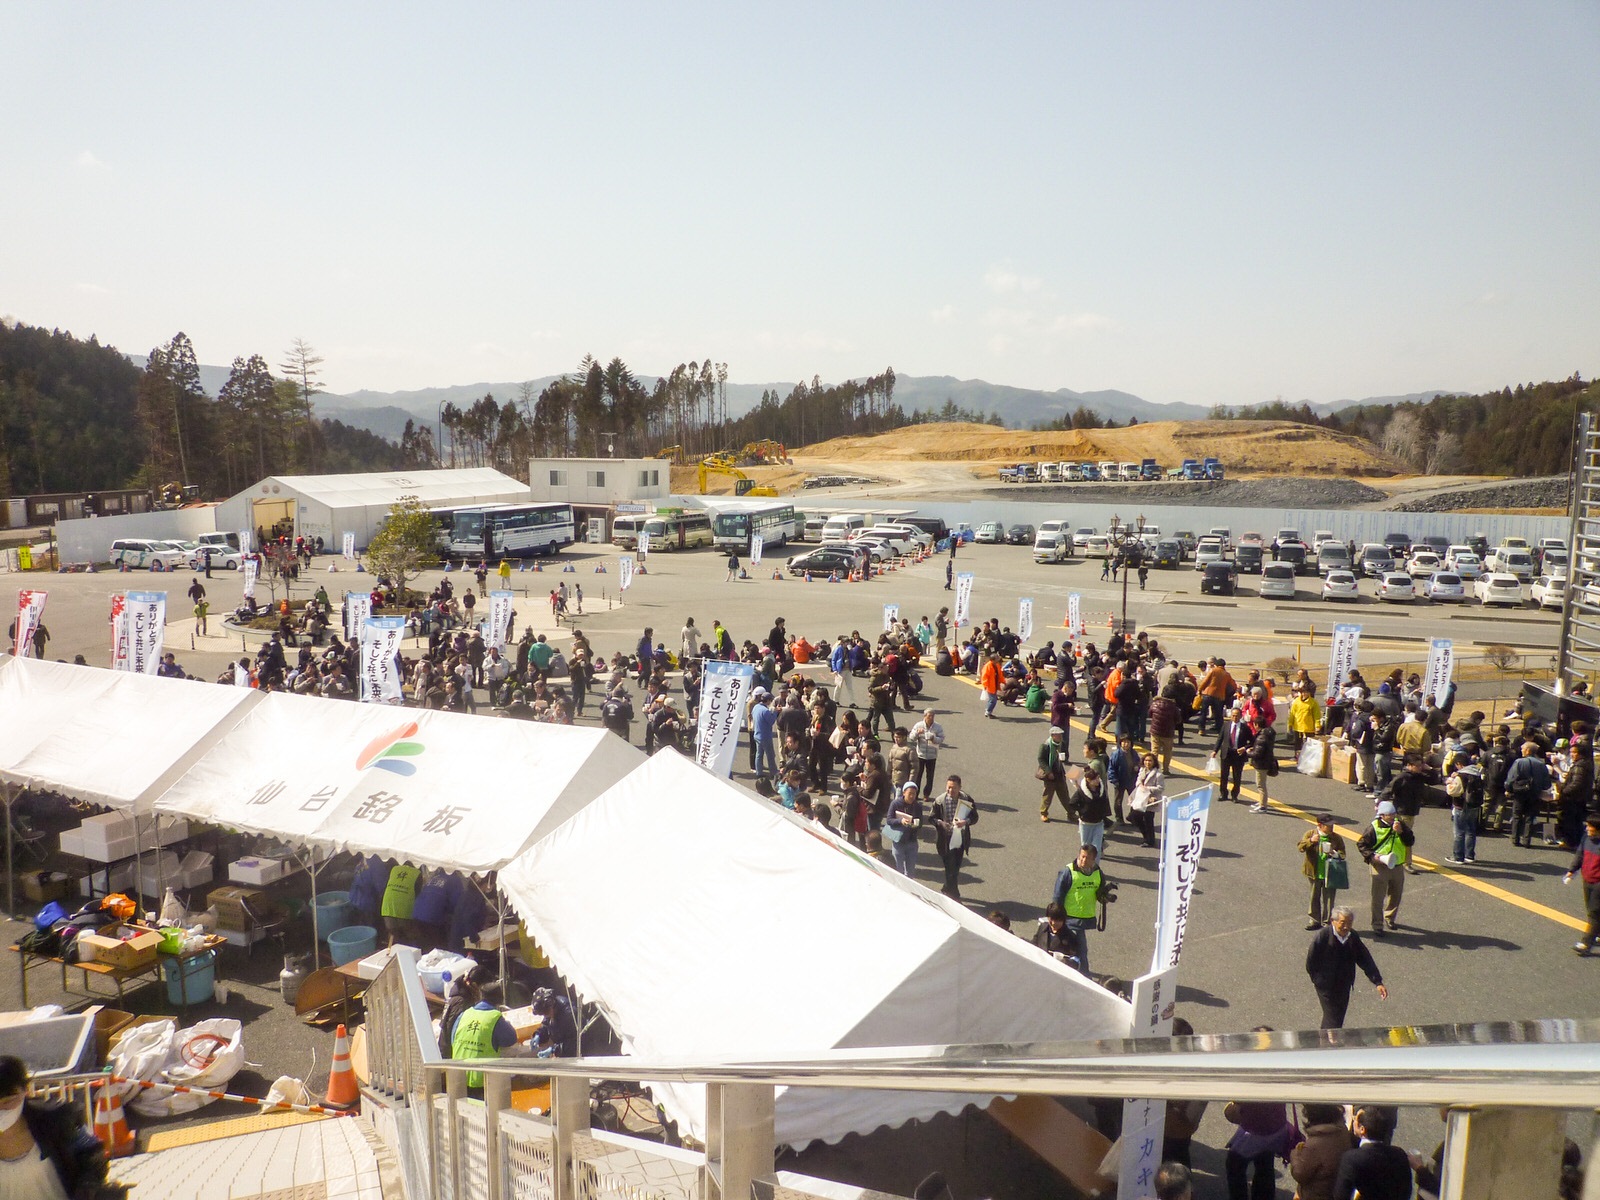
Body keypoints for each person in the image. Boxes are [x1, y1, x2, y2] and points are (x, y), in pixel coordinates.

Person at [0, 1054, 113, 1199]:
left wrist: (86, 1186)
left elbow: (92, 1155)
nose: (1, 1109)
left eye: (8, 1100)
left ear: (25, 1089)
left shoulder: (57, 1119)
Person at [1305, 905, 1387, 1029]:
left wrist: (1377, 982)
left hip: (1344, 984)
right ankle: (1329, 1044)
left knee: (1338, 1017)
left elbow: (1364, 958)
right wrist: (1318, 980)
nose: (1346, 927)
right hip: (1326, 986)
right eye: (1343, 923)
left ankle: (1326, 1042)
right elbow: (1311, 961)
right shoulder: (1323, 937)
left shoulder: (1352, 936)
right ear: (1333, 921)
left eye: (1349, 923)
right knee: (1332, 1017)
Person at [1223, 1089, 1299, 1200]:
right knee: (1265, 1162)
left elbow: (1241, 1099)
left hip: (1257, 1128)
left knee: (1234, 1163)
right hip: (1277, 1123)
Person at [1049, 843, 1111, 975]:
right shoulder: (1067, 872)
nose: (1083, 860)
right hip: (1070, 920)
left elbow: (1099, 894)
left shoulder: (1098, 873)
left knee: (1071, 951)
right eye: (1082, 856)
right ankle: (1085, 978)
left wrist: (1105, 897)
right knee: (1081, 951)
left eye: (1087, 858)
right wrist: (1056, 919)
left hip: (1085, 919)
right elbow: (1057, 897)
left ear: (1094, 859)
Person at [1331, 1106, 1413, 1200]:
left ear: (1362, 1129)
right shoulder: (1399, 1154)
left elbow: (1341, 1195)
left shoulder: (1351, 1158)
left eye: (1355, 1119)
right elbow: (1406, 1191)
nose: (1353, 1121)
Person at [1358, 801, 1414, 936]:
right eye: (1390, 815)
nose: (1393, 817)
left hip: (1397, 865)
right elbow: (1362, 844)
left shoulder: (1400, 825)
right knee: (1378, 897)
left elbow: (1410, 841)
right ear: (1382, 815)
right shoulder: (1373, 828)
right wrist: (1373, 857)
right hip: (1380, 866)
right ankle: (1377, 924)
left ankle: (1389, 917)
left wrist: (1401, 832)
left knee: (1396, 894)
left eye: (1394, 814)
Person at [1290, 1103, 1358, 1200]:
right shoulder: (1343, 1131)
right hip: (1336, 1190)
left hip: (1317, 1194)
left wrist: (1295, 1153)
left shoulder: (1313, 1145)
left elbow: (1299, 1173)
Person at [930, 774, 978, 900]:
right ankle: (954, 895)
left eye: (954, 788)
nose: (951, 791)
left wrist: (965, 822)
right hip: (946, 840)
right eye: (949, 787)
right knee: (950, 867)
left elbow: (975, 817)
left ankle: (947, 888)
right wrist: (941, 824)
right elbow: (932, 818)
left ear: (960, 788)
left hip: (961, 838)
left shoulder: (967, 799)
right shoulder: (940, 801)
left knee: (956, 867)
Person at [1298, 814, 1347, 930]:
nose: (1332, 827)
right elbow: (1300, 847)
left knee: (1329, 899)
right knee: (1314, 897)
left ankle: (1328, 922)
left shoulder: (1336, 838)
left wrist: (1334, 853)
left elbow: (1343, 854)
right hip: (1314, 872)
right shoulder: (1310, 834)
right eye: (1329, 825)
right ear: (1320, 825)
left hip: (1330, 873)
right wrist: (1311, 841)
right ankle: (1314, 920)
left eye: (1332, 825)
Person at [1505, 741, 1553, 848]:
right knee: (1529, 817)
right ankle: (1527, 840)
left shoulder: (1519, 762)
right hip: (1535, 793)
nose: (1521, 751)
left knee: (1517, 815)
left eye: (1523, 749)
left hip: (1520, 793)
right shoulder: (1541, 764)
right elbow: (1547, 783)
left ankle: (1515, 839)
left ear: (1528, 751)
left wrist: (1508, 789)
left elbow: (1511, 779)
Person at [1564, 815, 1600, 956]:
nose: (1587, 828)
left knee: (1594, 913)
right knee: (1591, 909)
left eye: (1590, 826)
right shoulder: (1586, 838)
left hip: (1598, 883)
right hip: (1587, 879)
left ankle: (1586, 943)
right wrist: (1572, 870)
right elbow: (1580, 855)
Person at [884, 781, 924, 877]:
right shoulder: (895, 804)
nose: (912, 796)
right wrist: (900, 821)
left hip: (912, 841)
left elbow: (921, 823)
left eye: (914, 794)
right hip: (899, 842)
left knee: (910, 872)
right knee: (898, 871)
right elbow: (889, 820)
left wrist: (915, 824)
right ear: (904, 793)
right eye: (910, 793)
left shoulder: (917, 806)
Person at [1072, 765, 1112, 857]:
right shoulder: (1081, 791)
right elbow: (1072, 803)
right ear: (1088, 780)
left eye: (1098, 778)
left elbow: (1105, 802)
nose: (1098, 780)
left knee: (1097, 848)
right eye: (1095, 779)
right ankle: (1085, 867)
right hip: (1086, 824)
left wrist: (1104, 815)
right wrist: (1082, 811)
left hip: (1099, 823)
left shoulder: (1101, 790)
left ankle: (1095, 867)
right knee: (1086, 847)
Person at [1128, 751, 1164, 848]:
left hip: (1151, 799)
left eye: (1150, 761)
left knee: (1149, 820)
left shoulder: (1158, 774)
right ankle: (1146, 836)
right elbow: (1138, 781)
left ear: (1154, 762)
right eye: (1146, 760)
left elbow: (1160, 788)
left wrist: (1147, 788)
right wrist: (1140, 785)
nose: (1148, 762)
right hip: (1141, 797)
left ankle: (1150, 841)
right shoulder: (1142, 770)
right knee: (1135, 817)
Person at [1214, 706, 1250, 802]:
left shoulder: (1245, 728)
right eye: (1233, 716)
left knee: (1237, 776)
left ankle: (1235, 795)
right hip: (1226, 753)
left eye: (1237, 716)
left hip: (1238, 754)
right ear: (1230, 716)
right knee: (1224, 775)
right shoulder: (1226, 725)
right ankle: (1223, 794)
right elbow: (1220, 738)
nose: (1235, 718)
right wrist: (1215, 750)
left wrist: (1244, 748)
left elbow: (1252, 741)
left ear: (1241, 716)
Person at [1038, 726, 1072, 821]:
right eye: (1058, 735)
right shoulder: (1045, 746)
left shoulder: (1062, 744)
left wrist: (1063, 758)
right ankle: (1043, 813)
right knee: (1048, 794)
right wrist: (1048, 772)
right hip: (1050, 772)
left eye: (1061, 734)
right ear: (1052, 735)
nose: (1060, 736)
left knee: (1064, 794)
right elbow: (1041, 759)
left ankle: (1071, 813)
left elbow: (1064, 754)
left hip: (1059, 771)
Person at [909, 709, 944, 798]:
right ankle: (915, 794)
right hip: (920, 754)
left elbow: (941, 739)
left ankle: (926, 794)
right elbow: (911, 738)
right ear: (924, 716)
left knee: (930, 777)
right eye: (929, 716)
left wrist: (934, 738)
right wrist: (917, 733)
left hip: (932, 755)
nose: (931, 718)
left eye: (932, 716)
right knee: (918, 775)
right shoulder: (919, 725)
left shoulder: (938, 727)